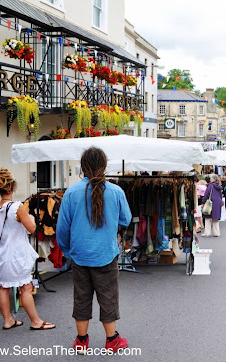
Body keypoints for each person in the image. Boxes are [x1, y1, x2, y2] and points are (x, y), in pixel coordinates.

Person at [57, 147, 131, 354]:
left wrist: (67, 250)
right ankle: (112, 340)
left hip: (79, 255)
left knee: (81, 297)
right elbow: (125, 218)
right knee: (108, 297)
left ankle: (81, 341)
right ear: (104, 166)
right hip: (106, 254)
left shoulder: (71, 192)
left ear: (83, 167)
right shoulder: (116, 191)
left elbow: (62, 228)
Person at [0, 168, 55, 332]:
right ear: (12, 188)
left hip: (1, 254)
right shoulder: (17, 207)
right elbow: (31, 228)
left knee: (3, 287)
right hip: (17, 255)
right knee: (26, 287)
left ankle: (8, 320)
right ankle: (36, 321)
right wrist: (31, 218)